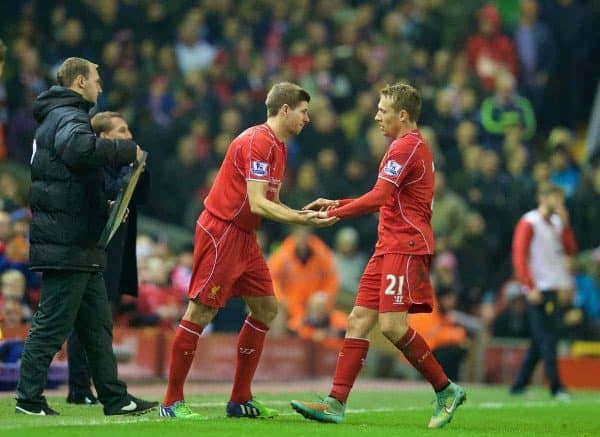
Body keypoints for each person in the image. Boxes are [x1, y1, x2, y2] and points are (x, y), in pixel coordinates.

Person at [291, 83, 466, 429]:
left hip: (405, 246)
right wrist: (337, 203)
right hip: (387, 245)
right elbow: (379, 196)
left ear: (402, 115)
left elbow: (378, 198)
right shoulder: (403, 147)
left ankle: (445, 389)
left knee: (391, 326)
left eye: (382, 110)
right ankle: (335, 403)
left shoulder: (406, 148)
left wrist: (337, 214)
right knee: (358, 319)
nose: (376, 116)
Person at [159, 82, 337, 419]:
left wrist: (302, 214)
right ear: (285, 109)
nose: (307, 118)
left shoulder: (280, 148)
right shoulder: (257, 141)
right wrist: (305, 221)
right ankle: (171, 402)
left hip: (244, 236)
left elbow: (270, 202)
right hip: (221, 231)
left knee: (267, 308)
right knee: (200, 312)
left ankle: (240, 399)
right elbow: (257, 202)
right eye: (303, 111)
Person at [15, 57, 156, 416]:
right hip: (68, 241)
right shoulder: (68, 116)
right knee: (52, 323)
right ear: (79, 82)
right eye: (96, 79)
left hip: (80, 241)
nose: (101, 86)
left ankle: (114, 396)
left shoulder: (60, 116)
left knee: (96, 327)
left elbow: (72, 172)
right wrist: (126, 151)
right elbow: (80, 152)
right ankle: (29, 399)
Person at [65, 111, 151, 405]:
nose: (129, 137)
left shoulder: (120, 165)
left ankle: (92, 388)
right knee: (84, 322)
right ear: (102, 138)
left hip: (116, 253)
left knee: (101, 322)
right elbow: (109, 197)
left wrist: (137, 169)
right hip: (93, 250)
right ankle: (79, 387)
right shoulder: (94, 166)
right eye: (121, 131)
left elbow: (143, 197)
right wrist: (131, 170)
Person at [510, 183, 575, 400]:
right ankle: (556, 387)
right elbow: (519, 256)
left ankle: (519, 384)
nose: (559, 204)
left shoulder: (557, 223)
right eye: (555, 198)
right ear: (543, 198)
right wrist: (529, 286)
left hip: (554, 288)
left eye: (560, 199)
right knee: (549, 339)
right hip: (538, 289)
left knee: (540, 341)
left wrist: (565, 226)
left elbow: (570, 250)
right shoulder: (530, 221)